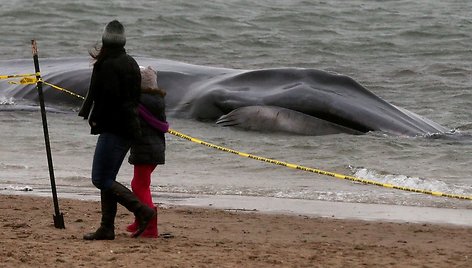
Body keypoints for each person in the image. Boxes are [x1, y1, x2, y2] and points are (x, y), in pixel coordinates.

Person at [78, 20, 156, 240]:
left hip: (114, 128)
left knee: (100, 179)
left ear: (104, 40)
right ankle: (107, 228)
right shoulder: (131, 62)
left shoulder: (107, 65)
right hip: (129, 127)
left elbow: (108, 100)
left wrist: (94, 120)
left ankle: (143, 211)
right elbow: (132, 98)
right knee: (108, 178)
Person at [125, 66, 168, 238]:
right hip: (155, 148)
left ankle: (150, 226)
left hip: (146, 148)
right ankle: (140, 219)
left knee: (139, 185)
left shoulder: (139, 101)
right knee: (141, 184)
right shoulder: (156, 99)